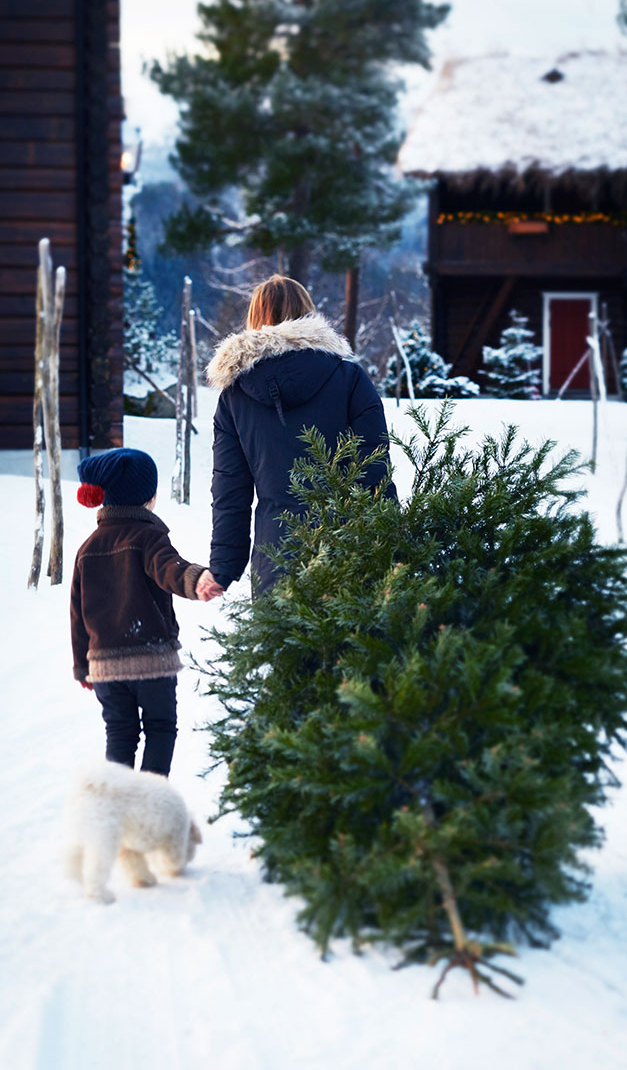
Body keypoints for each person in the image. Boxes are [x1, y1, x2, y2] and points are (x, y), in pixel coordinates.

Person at [197, 274, 395, 602]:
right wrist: (388, 548)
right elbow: (374, 471)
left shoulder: (236, 395)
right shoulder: (349, 379)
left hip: (275, 557)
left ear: (255, 319)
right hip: (348, 551)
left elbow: (230, 490)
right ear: (308, 314)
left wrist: (223, 567)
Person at [70, 448, 206, 777]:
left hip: (105, 668)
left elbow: (77, 614)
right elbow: (169, 569)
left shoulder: (87, 549)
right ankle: (148, 805)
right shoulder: (148, 536)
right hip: (151, 663)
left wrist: (82, 667)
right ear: (148, 498)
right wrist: (196, 579)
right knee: (160, 729)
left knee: (120, 735)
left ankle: (118, 807)